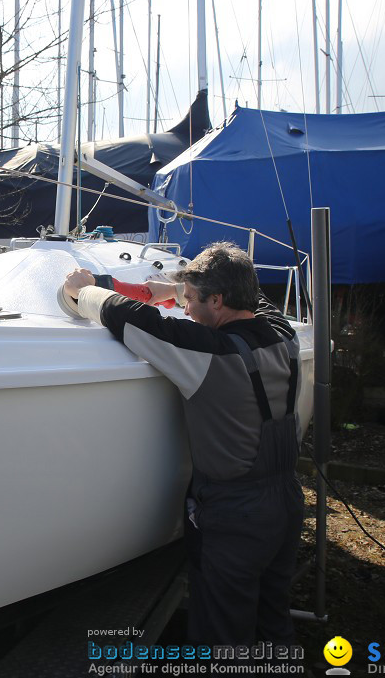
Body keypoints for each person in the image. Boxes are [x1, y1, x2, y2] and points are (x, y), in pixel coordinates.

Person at [63, 241, 303, 650]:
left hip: (235, 516)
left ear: (218, 299)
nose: (186, 309)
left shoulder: (208, 352)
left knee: (223, 633)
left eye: (192, 301)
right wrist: (174, 289)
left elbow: (132, 318)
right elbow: (258, 299)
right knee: (271, 618)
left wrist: (82, 289)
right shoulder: (282, 335)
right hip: (286, 504)